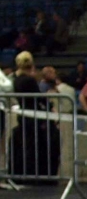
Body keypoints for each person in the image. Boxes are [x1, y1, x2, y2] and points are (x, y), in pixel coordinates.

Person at [10, 51, 60, 180]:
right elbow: (39, 98)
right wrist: (50, 108)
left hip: (24, 116)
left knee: (26, 145)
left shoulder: (16, 80)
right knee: (35, 146)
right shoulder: (30, 81)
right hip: (34, 117)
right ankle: (37, 173)